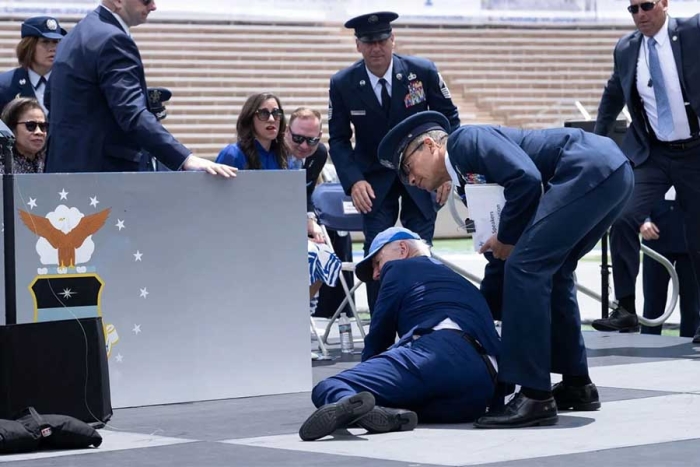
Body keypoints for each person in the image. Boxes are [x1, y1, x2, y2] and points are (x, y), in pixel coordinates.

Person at [377, 111, 634, 428]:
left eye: (407, 168)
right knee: (553, 271)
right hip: (609, 171)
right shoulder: (466, 181)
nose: (410, 181)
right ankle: (577, 384)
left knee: (526, 268)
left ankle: (535, 397)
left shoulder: (465, 142)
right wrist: (482, 309)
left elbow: (525, 180)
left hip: (588, 168)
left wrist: (508, 240)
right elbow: (499, 247)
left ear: (429, 145)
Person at [299, 227, 500, 441]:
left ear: (402, 249)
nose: (376, 275)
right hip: (484, 382)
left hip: (438, 352)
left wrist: (365, 375)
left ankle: (356, 406)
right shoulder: (461, 282)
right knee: (405, 402)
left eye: (377, 262)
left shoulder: (400, 268)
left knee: (329, 387)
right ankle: (385, 415)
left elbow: (378, 337)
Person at [329, 11, 459, 312]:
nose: (376, 48)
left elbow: (450, 120)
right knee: (378, 254)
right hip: (373, 182)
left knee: (420, 252)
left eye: (382, 40)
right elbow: (337, 139)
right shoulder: (343, 83)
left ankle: (423, 320)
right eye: (368, 41)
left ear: (392, 39)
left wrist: (447, 170)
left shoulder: (421, 72)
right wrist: (354, 180)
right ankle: (382, 328)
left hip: (425, 175)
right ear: (358, 45)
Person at [591, 2, 700, 344]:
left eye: (647, 5)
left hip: (695, 151)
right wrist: (593, 143)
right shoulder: (626, 48)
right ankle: (625, 309)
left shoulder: (693, 32)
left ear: (665, 4)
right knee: (622, 218)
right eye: (633, 8)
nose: (640, 14)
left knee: (697, 237)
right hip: (652, 153)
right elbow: (612, 96)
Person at [44, 1, 234, 177]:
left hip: (63, 169)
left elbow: (49, 97)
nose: (153, 6)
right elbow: (131, 113)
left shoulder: (74, 35)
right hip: (103, 176)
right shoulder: (113, 39)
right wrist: (185, 158)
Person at [285, 107, 355, 317]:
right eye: (297, 138)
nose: (304, 146)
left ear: (320, 137)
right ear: (286, 132)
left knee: (326, 254)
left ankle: (295, 311)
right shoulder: (272, 151)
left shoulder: (320, 154)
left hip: (295, 220)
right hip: (270, 225)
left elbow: (305, 192)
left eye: (311, 140)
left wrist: (310, 219)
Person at [641, 192, 700, 338]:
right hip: (656, 239)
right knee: (652, 303)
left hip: (691, 241)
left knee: (692, 306)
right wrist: (643, 219)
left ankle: (689, 345)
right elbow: (641, 192)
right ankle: (647, 345)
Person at [0, 16, 66, 115]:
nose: (53, 48)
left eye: (55, 42)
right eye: (45, 42)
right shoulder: (6, 85)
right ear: (29, 46)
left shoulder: (68, 83)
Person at [216, 93, 288, 170]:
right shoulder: (232, 154)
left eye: (276, 113)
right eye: (263, 113)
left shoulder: (283, 157)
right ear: (249, 119)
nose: (271, 119)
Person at [0, 97, 47, 173]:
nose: (39, 132)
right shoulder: (3, 167)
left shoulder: (51, 164)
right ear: (12, 128)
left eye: (43, 126)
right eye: (30, 126)